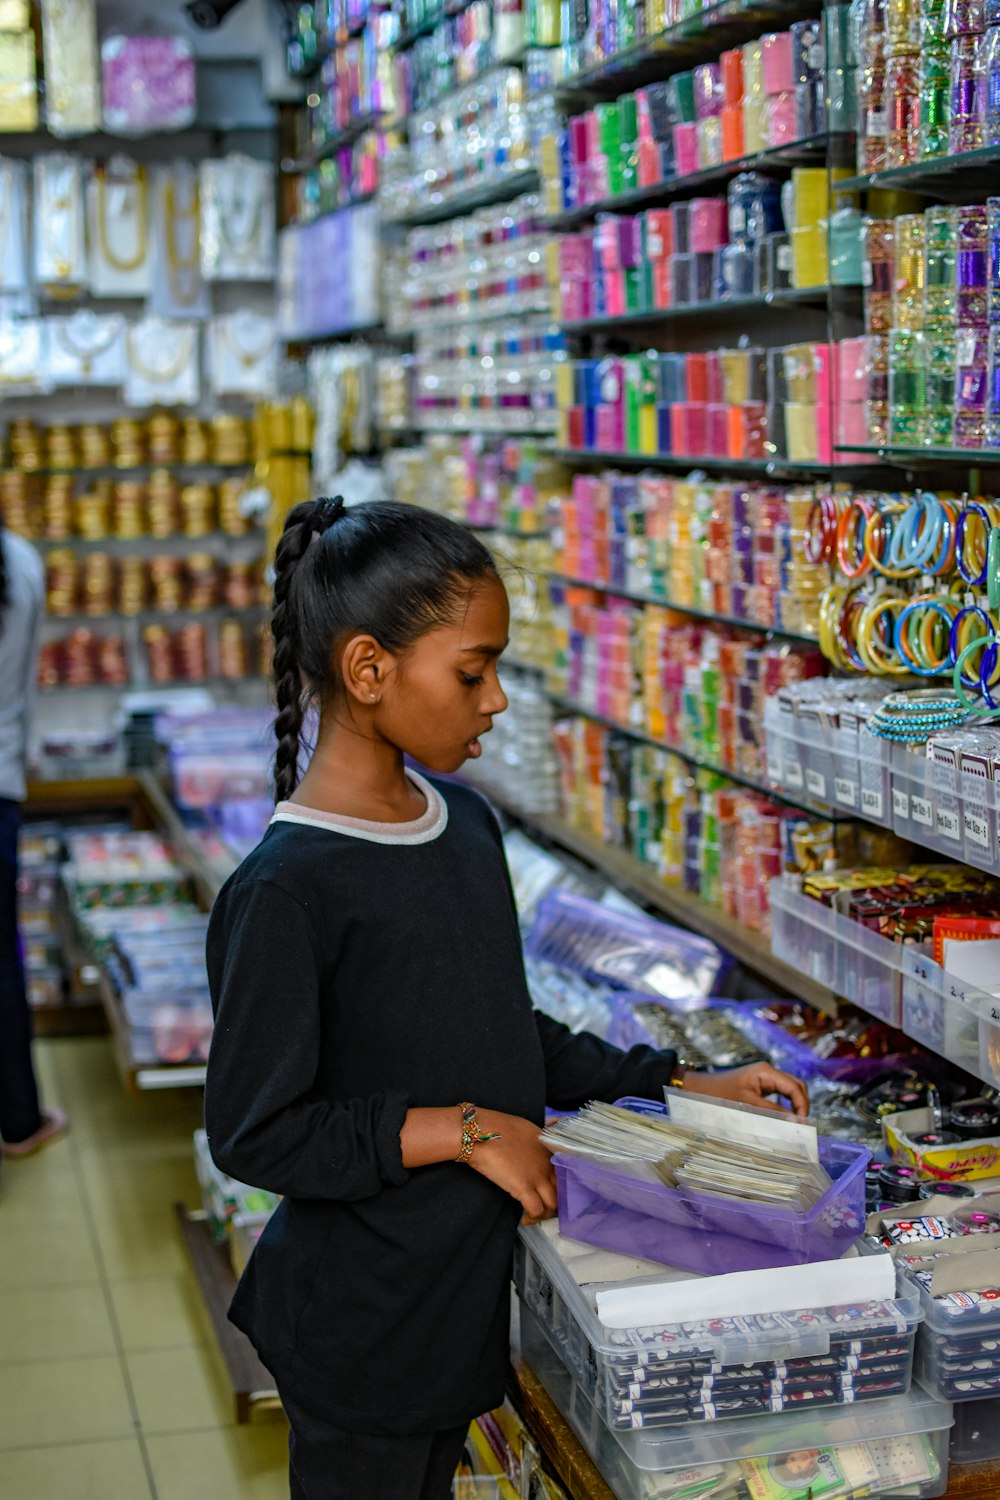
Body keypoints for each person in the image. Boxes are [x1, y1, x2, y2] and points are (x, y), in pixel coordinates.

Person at [204, 497, 808, 1500]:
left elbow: (500, 1029)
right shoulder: (285, 890)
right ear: (368, 669)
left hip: (451, 1304)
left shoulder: (462, 826)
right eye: (473, 672)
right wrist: (466, 1130)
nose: (493, 703)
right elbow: (258, 1134)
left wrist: (683, 1083)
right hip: (364, 1331)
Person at [0, 524, 67, 1158]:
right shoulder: (19, 561)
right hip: (0, 784)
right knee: (3, 959)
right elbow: (21, 688)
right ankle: (19, 1119)